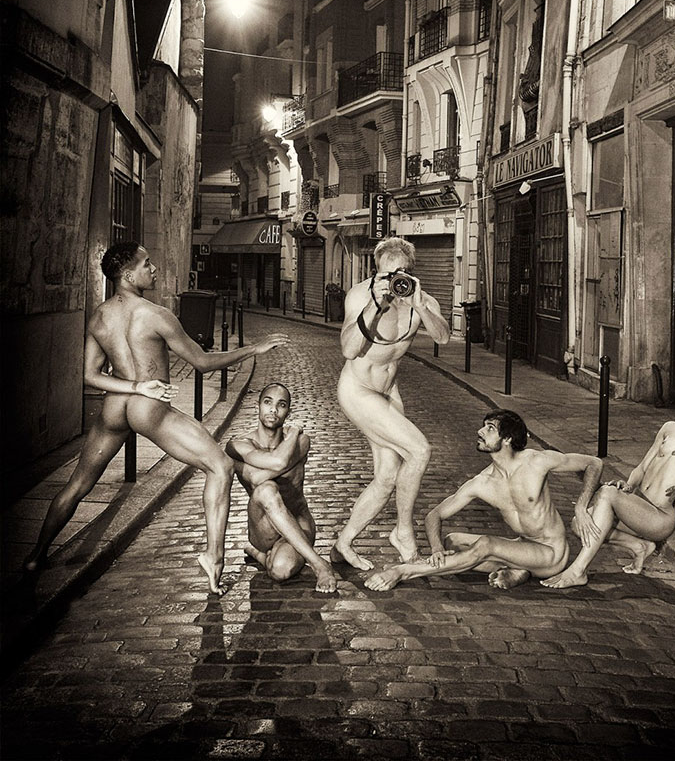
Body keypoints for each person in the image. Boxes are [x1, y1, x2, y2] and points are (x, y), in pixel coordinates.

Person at [22, 242, 288, 594]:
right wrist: (253, 348)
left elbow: (90, 375)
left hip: (115, 407)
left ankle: (35, 556)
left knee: (77, 486)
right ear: (128, 275)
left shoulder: (99, 316)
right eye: (146, 264)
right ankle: (214, 557)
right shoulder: (156, 314)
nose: (154, 269)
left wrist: (132, 385)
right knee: (221, 466)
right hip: (148, 409)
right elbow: (202, 362)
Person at [364, 410, 603, 592]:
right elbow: (434, 515)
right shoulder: (482, 482)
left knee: (486, 545)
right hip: (523, 545)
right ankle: (518, 569)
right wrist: (436, 547)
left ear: (507, 439)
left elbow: (594, 463)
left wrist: (581, 507)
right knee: (452, 541)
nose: (480, 431)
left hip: (551, 553)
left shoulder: (536, 462)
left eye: (489, 428)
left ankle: (404, 572)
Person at [540, 380, 675, 589]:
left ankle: (577, 571)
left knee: (607, 493)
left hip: (659, 517)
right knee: (579, 524)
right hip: (637, 504)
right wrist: (627, 487)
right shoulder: (671, 428)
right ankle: (639, 546)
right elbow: (642, 467)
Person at [333, 237, 450, 570]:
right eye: (386, 274)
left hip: (388, 390)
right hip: (358, 389)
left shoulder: (420, 298)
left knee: (387, 477)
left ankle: (343, 543)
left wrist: (420, 305)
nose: (393, 280)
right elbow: (348, 349)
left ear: (410, 273)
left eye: (400, 274)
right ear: (376, 272)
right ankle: (403, 532)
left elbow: (443, 337)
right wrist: (375, 305)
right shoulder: (360, 295)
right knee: (419, 450)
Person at [225, 383, 337, 593]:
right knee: (266, 490)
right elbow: (276, 464)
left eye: (281, 405)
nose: (273, 410)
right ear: (258, 406)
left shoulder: (301, 441)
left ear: (288, 412)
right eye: (268, 402)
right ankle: (319, 564)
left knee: (280, 571)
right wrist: (293, 432)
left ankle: (259, 555)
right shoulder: (238, 445)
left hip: (298, 523)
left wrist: (293, 437)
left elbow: (261, 473)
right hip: (263, 529)